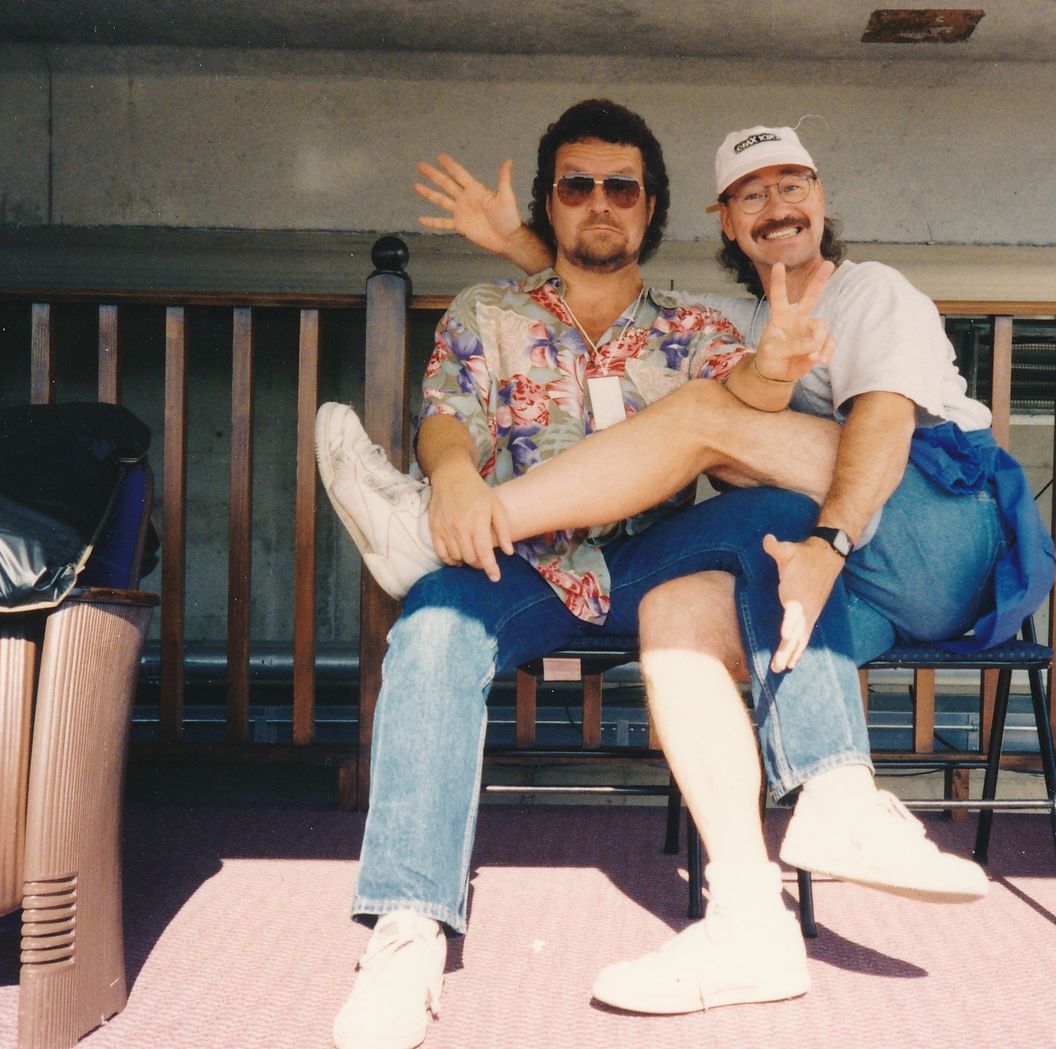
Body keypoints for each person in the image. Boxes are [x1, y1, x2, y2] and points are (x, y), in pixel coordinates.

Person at [321, 100, 981, 1049]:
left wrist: (774, 370)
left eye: (621, 187)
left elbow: (747, 397)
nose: (600, 202)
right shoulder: (487, 310)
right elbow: (446, 417)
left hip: (647, 561)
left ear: (654, 207)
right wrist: (454, 477)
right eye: (577, 185)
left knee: (772, 514)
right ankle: (406, 932)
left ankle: (835, 790)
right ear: (549, 201)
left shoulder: (701, 325)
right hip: (519, 568)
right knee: (430, 626)